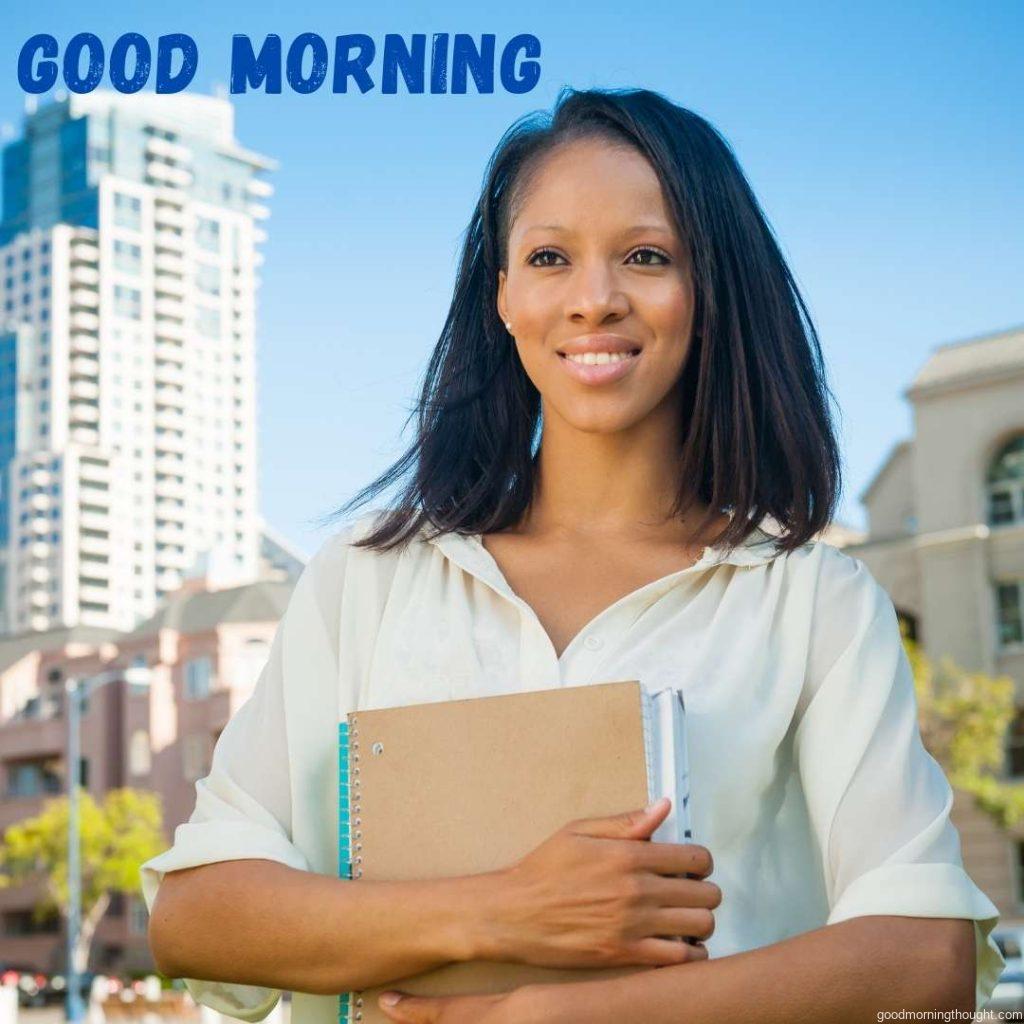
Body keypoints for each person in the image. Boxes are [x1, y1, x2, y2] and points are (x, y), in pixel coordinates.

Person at [141, 86, 1004, 1023]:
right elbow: (197, 916)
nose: (595, 300)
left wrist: (546, 1018)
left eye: (646, 256)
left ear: (710, 292)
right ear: (503, 297)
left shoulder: (814, 600)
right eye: (549, 257)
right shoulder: (367, 577)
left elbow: (928, 963)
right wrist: (506, 912)